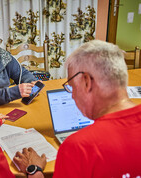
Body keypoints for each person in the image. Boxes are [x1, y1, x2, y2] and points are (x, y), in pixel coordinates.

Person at [13, 40, 141, 177]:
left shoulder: (79, 147)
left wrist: (34, 170)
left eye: (72, 87)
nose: (73, 96)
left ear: (87, 82)